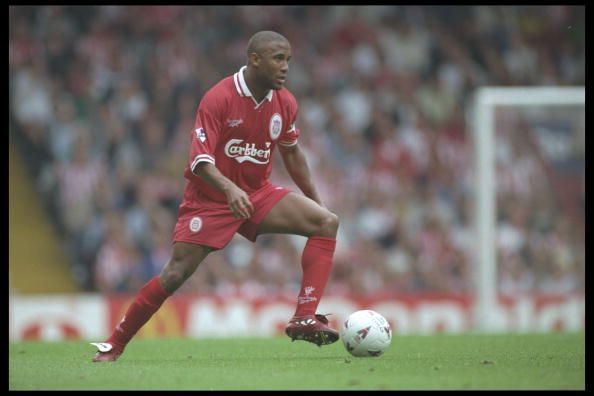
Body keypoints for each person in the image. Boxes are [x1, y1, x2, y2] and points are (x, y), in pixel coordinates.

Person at [91, 31, 340, 362]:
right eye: (279, 59)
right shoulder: (219, 97)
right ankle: (115, 343)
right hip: (210, 200)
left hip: (256, 194)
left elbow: (292, 154)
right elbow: (198, 160)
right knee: (175, 274)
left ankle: (304, 317)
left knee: (326, 222)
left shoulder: (285, 103)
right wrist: (229, 188)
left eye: (288, 60)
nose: (285, 67)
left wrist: (315, 200)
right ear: (255, 59)